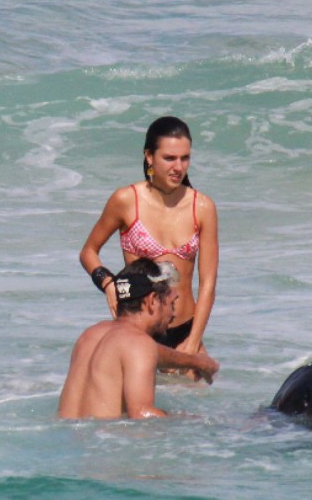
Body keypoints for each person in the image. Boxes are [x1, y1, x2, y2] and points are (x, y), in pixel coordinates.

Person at [78, 116, 219, 380]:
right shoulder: (126, 200)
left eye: (185, 158)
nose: (179, 167)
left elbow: (208, 282)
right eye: (170, 158)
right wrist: (108, 284)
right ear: (149, 156)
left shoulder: (202, 207)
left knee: (196, 418)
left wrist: (192, 344)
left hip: (186, 333)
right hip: (139, 335)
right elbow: (88, 252)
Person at [58, 259, 187, 419]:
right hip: (105, 440)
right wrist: (196, 421)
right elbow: (141, 414)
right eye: (171, 304)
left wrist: (196, 362)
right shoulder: (139, 343)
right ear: (153, 301)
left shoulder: (90, 335)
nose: (173, 314)